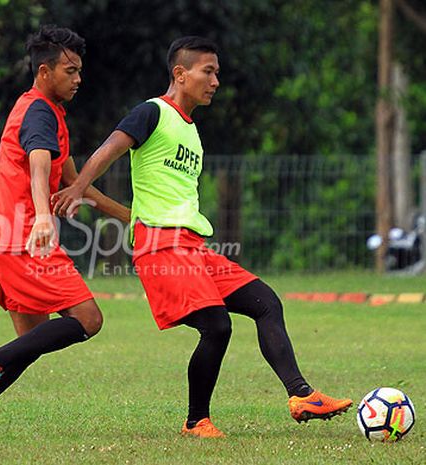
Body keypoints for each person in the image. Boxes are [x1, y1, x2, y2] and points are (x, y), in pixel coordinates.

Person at [51, 36, 353, 438]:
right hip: (161, 248)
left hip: (193, 246)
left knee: (265, 302)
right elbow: (110, 148)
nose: (215, 82)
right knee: (217, 325)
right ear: (180, 73)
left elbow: (162, 194)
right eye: (207, 72)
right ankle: (197, 421)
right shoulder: (152, 112)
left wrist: (128, 214)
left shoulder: (191, 131)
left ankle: (301, 395)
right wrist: (78, 187)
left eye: (217, 73)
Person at [0, 25, 130, 440]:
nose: (78, 78)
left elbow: (77, 185)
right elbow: (39, 162)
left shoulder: (50, 114)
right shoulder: (39, 111)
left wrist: (132, 220)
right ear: (44, 72)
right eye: (70, 70)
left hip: (7, 239)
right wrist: (45, 216)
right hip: (23, 237)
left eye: (80, 70)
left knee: (29, 344)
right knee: (87, 318)